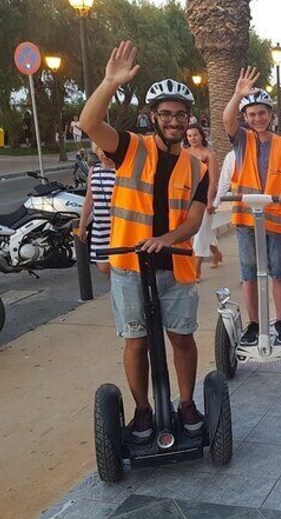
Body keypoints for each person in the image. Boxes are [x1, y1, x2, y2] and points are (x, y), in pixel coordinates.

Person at [79, 40, 210, 445]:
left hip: (176, 265)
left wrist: (166, 240)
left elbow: (193, 219)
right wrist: (109, 82)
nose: (174, 121)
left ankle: (186, 404)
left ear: (189, 119)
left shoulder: (196, 166)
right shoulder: (130, 147)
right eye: (166, 114)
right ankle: (143, 411)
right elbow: (89, 123)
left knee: (182, 339)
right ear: (153, 116)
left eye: (180, 114)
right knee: (136, 341)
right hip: (129, 266)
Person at [223, 67, 281, 346]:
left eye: (262, 113)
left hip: (276, 218)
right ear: (245, 118)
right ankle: (254, 323)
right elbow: (226, 122)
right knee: (249, 271)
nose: (257, 118)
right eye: (252, 114)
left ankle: (280, 321)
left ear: (271, 115)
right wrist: (237, 94)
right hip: (247, 218)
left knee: (277, 270)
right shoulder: (242, 140)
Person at [184, 124, 222, 279]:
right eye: (190, 135)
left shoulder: (209, 155)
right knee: (205, 230)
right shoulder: (183, 153)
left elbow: (213, 180)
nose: (193, 138)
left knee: (200, 233)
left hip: (204, 199)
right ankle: (216, 253)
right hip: (187, 198)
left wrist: (210, 201)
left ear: (201, 136)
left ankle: (196, 268)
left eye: (195, 134)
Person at [76, 142, 116, 275]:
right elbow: (89, 200)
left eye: (107, 150)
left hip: (117, 227)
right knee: (103, 267)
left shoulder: (120, 170)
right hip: (100, 229)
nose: (103, 153)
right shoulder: (94, 171)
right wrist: (82, 226)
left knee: (121, 268)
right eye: (100, 149)